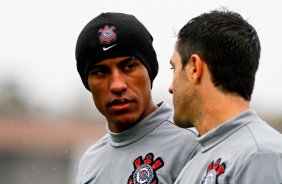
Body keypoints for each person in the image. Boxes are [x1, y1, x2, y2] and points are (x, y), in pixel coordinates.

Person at [74, 12, 199, 184]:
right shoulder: (90, 162)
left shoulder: (192, 145)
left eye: (128, 66)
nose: (117, 85)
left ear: (150, 71)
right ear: (88, 84)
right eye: (101, 72)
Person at [169, 9, 282, 184]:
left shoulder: (260, 155)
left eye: (173, 69)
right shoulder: (200, 158)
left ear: (194, 68)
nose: (171, 87)